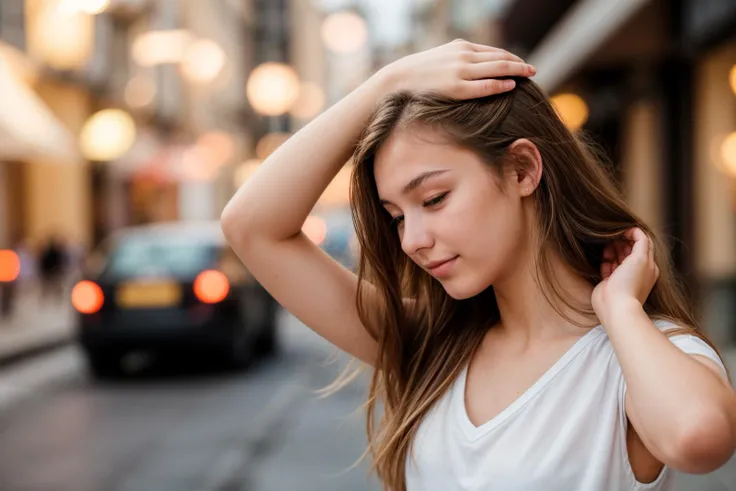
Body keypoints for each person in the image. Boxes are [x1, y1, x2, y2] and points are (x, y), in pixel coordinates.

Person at [221, 40, 736, 491]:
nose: (413, 241)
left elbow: (698, 438)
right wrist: (388, 83)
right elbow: (251, 226)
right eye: (397, 217)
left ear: (523, 169)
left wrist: (620, 310)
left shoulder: (640, 354)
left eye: (435, 198)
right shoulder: (434, 345)